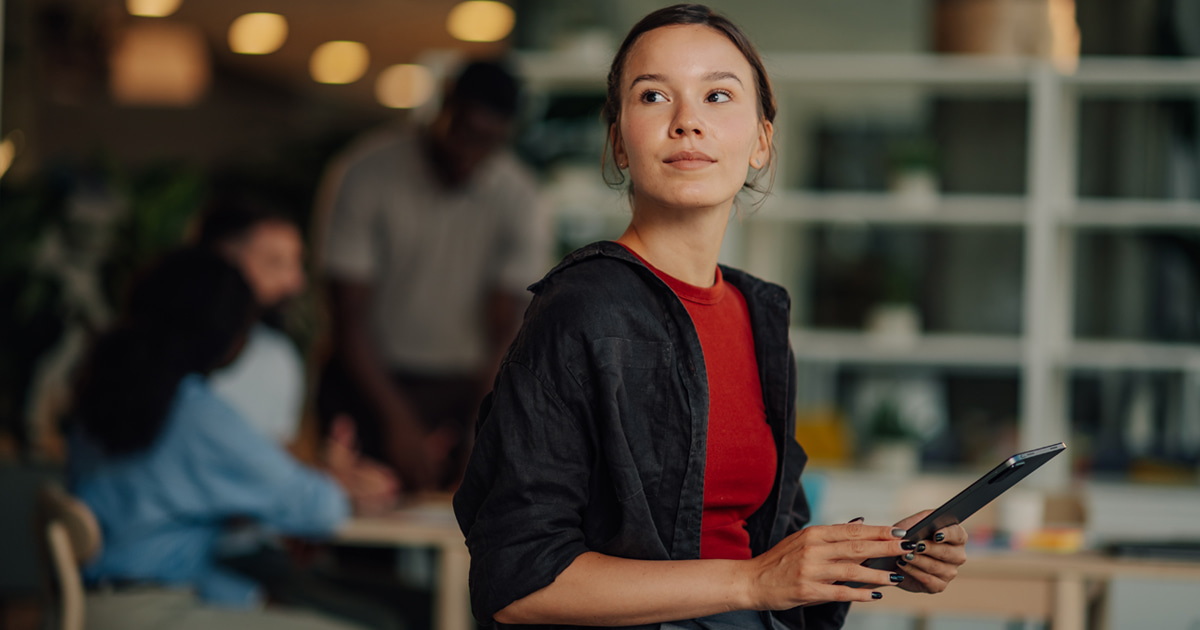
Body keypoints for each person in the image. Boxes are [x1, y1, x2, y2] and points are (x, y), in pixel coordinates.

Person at [453, 5, 968, 630]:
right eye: (653, 96)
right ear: (619, 139)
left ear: (760, 141)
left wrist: (884, 552)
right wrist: (752, 582)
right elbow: (518, 580)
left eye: (718, 95)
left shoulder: (760, 312)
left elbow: (774, 540)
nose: (687, 122)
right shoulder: (580, 309)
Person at [68, 249, 400, 630]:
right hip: (152, 613)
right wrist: (339, 482)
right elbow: (317, 508)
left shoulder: (104, 392)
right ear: (225, 334)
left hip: (91, 605)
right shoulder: (194, 412)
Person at [315, 60, 552, 491]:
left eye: (487, 142)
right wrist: (399, 423)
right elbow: (347, 316)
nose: (470, 153)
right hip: (368, 383)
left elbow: (508, 329)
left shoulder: (520, 196)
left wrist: (483, 424)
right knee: (362, 529)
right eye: (463, 132)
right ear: (443, 106)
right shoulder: (365, 173)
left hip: (465, 391)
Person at [197, 192, 308, 446]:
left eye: (297, 264)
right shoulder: (165, 359)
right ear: (223, 260)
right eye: (275, 263)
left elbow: (272, 463)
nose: (295, 283)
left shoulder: (279, 357)